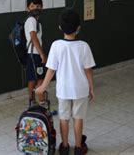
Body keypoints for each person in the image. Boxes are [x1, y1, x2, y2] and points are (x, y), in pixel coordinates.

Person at [36, 10, 95, 155]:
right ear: (79, 28)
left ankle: (64, 146)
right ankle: (79, 147)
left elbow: (51, 70)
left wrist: (42, 87)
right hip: (80, 89)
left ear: (60, 28)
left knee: (63, 118)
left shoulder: (56, 45)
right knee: (78, 118)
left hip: (63, 90)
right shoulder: (84, 46)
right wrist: (91, 87)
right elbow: (88, 70)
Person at [25, 0, 46, 103]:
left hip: (34, 54)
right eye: (32, 6)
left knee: (35, 78)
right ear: (27, 8)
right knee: (38, 79)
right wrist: (42, 54)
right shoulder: (31, 20)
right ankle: (40, 102)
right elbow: (33, 37)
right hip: (34, 54)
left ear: (42, 7)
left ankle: (33, 101)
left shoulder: (36, 22)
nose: (36, 8)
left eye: (38, 6)